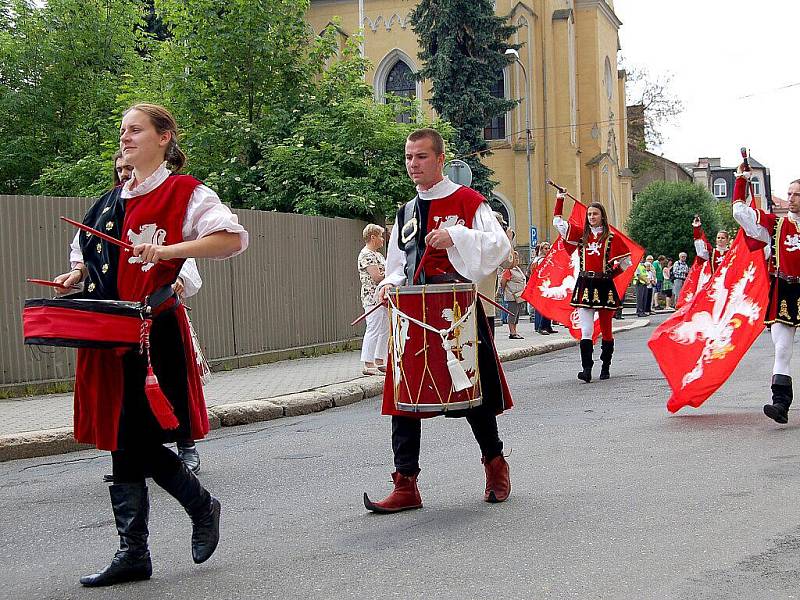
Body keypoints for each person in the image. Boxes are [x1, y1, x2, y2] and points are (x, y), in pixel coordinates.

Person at [54, 103, 248, 586]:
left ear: (164, 137)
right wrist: (75, 275)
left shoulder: (186, 193)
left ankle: (200, 507)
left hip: (151, 332)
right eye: (122, 131)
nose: (124, 138)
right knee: (122, 440)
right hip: (106, 333)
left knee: (137, 437)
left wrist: (169, 251)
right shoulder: (106, 203)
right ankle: (134, 553)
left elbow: (229, 239)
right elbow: (92, 262)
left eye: (135, 130)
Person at [363, 128, 513, 513]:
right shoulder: (406, 212)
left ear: (440, 159)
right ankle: (405, 483)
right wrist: (389, 286)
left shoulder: (468, 202)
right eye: (409, 157)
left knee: (470, 395)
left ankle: (495, 464)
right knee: (403, 399)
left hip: (455, 312)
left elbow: (500, 247)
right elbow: (399, 266)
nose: (413, 164)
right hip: (413, 315)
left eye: (422, 157)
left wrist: (458, 237)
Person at [104, 151, 203, 480]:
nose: (123, 175)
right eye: (119, 170)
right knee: (127, 396)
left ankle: (185, 446)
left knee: (172, 382)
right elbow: (92, 253)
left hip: (160, 314)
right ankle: (132, 458)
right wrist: (77, 273)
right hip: (123, 320)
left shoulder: (170, 199)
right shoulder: (110, 209)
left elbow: (186, 259)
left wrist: (175, 279)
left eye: (128, 168)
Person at [732, 165, 800, 424]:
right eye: (789, 193)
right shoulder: (776, 225)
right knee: (782, 349)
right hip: (784, 289)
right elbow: (740, 212)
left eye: (796, 194)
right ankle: (780, 403)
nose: (791, 198)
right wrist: (741, 180)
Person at [553, 192, 632, 382]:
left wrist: (611, 274)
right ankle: (587, 369)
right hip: (585, 284)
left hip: (604, 284)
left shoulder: (612, 238)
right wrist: (559, 199)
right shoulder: (581, 235)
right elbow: (558, 224)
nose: (591, 217)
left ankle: (605, 366)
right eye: (589, 214)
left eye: (595, 214)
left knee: (606, 329)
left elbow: (626, 262)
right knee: (586, 330)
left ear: (602, 216)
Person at [358, 224, 389, 375]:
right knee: (374, 328)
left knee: (384, 329)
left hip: (382, 297)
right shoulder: (366, 255)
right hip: (372, 298)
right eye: (380, 236)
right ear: (373, 237)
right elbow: (377, 277)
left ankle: (379, 359)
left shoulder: (378, 255)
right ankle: (368, 362)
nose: (382, 239)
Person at [499, 251, 527, 339]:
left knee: (517, 314)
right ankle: (512, 332)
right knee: (512, 314)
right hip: (512, 295)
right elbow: (503, 282)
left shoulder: (517, 269)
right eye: (515, 258)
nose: (517, 260)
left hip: (519, 296)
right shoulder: (508, 270)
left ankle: (515, 330)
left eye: (518, 258)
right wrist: (504, 291)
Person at [530, 242, 556, 334]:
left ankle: (547, 326)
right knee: (543, 307)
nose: (548, 250)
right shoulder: (540, 260)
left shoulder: (541, 259)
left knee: (548, 306)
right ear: (541, 249)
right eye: (545, 248)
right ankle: (541, 326)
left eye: (548, 248)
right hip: (542, 285)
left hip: (546, 284)